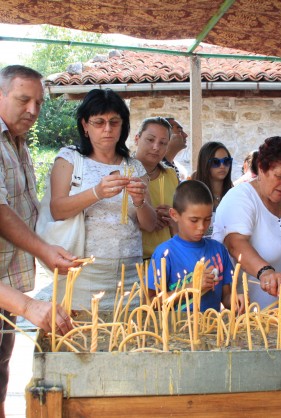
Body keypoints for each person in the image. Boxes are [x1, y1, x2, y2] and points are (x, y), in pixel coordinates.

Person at [0, 65, 76, 417]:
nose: (33, 110)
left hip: (8, 287)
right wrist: (30, 306)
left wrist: (46, 252)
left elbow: (24, 211)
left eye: (39, 102)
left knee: (1, 371)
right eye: (23, 99)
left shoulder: (18, 144)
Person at [50, 89, 156, 309]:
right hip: (82, 270)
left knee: (128, 339)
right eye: (99, 122)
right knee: (82, 337)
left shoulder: (133, 166)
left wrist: (139, 202)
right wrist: (96, 192)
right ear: (85, 126)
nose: (107, 129)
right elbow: (57, 209)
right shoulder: (70, 158)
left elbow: (150, 224)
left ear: (123, 125)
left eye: (114, 122)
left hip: (130, 271)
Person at [213, 136, 281, 309]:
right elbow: (235, 244)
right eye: (280, 176)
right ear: (261, 169)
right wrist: (265, 271)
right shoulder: (241, 197)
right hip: (247, 316)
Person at [147, 180, 244, 313]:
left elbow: (225, 296)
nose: (201, 227)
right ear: (174, 215)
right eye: (194, 220)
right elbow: (152, 303)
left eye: (207, 219)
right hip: (175, 330)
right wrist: (192, 287)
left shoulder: (218, 250)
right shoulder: (165, 253)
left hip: (211, 329)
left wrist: (235, 301)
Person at [134, 117, 179, 259]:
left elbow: (181, 216)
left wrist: (172, 217)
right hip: (133, 260)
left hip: (167, 258)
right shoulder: (123, 172)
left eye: (163, 143)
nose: (156, 147)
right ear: (137, 139)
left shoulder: (170, 174)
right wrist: (148, 217)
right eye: (150, 140)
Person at [192, 141, 234, 237]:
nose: (222, 166)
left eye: (226, 161)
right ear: (205, 164)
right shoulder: (194, 194)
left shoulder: (233, 194)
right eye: (216, 162)